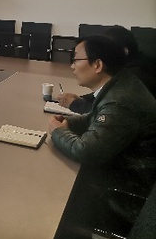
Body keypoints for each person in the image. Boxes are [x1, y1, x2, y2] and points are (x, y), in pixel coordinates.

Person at [49, 35, 156, 196]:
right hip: (124, 169)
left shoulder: (119, 102)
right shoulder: (121, 83)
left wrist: (58, 131)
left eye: (76, 60)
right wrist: (68, 123)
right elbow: (96, 116)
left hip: (128, 189)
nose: (72, 66)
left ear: (98, 65)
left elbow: (85, 152)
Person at [58, 25, 156, 113]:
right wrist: (84, 99)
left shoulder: (136, 75)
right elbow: (105, 93)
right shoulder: (129, 67)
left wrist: (75, 104)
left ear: (124, 51)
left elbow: (111, 110)